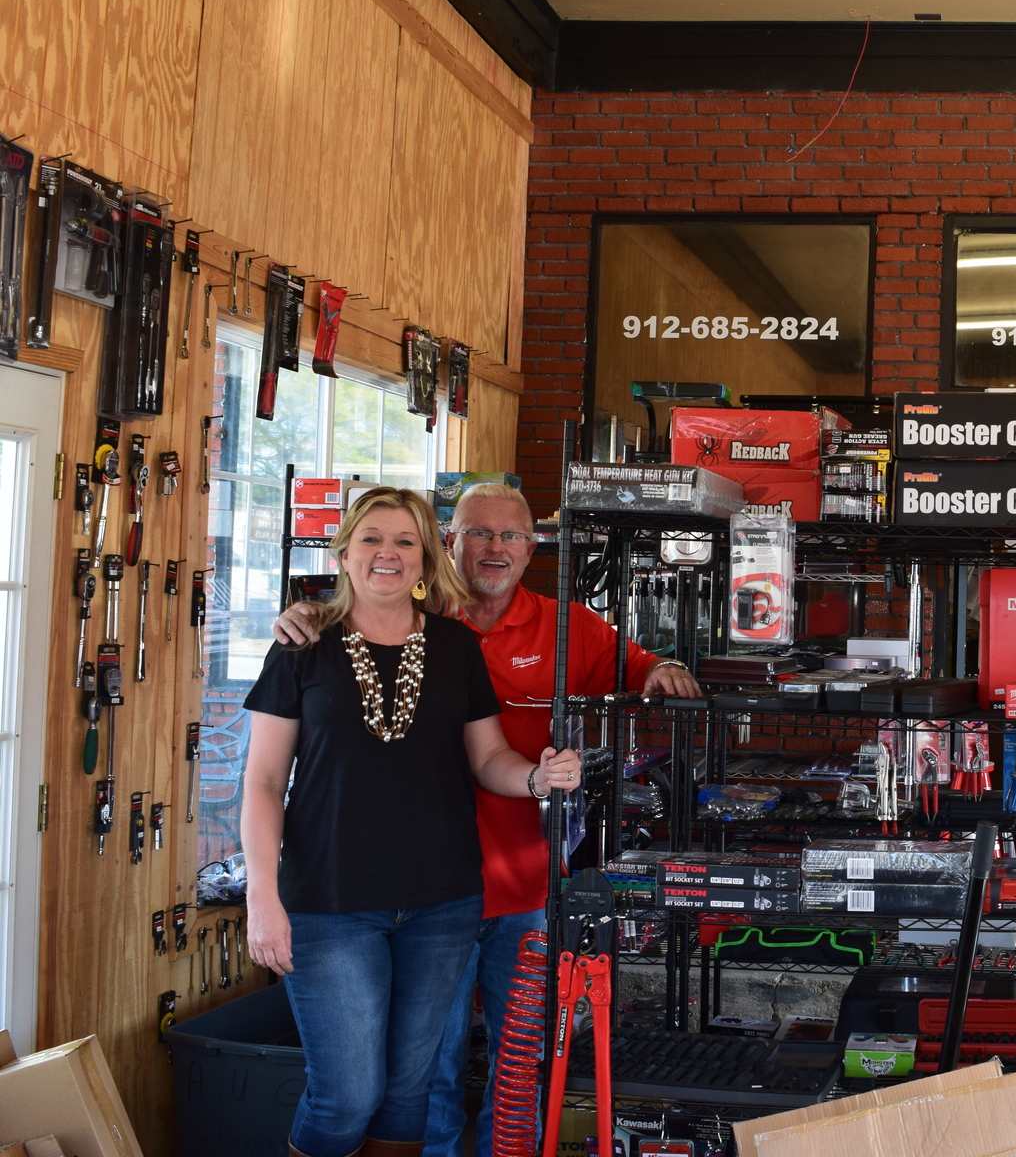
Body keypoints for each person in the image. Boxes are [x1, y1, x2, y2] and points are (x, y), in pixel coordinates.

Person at [273, 482, 701, 1157]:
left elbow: (642, 668)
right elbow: (331, 641)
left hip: (520, 887)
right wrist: (306, 613)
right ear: (451, 542)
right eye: (478, 533)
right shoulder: (411, 617)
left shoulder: (566, 627)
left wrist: (668, 667)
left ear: (533, 549)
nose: (494, 549)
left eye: (510, 536)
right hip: (413, 888)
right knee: (421, 1076)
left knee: (518, 1061)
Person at [244, 486, 585, 1157]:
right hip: (331, 904)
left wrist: (536, 778)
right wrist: (262, 896)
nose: (388, 554)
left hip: (442, 904)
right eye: (372, 538)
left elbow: (488, 757)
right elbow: (259, 781)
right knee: (344, 1098)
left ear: (428, 559)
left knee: (409, 1095)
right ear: (344, 553)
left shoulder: (456, 648)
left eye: (405, 541)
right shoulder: (301, 647)